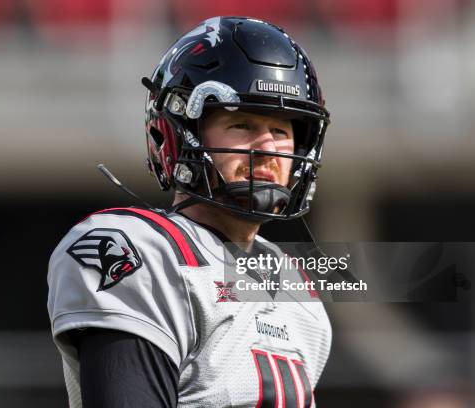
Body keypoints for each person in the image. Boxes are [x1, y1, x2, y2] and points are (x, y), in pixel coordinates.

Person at [48, 16, 332, 407]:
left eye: (282, 131)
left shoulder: (299, 294)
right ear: (181, 134)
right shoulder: (142, 250)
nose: (267, 146)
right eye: (243, 124)